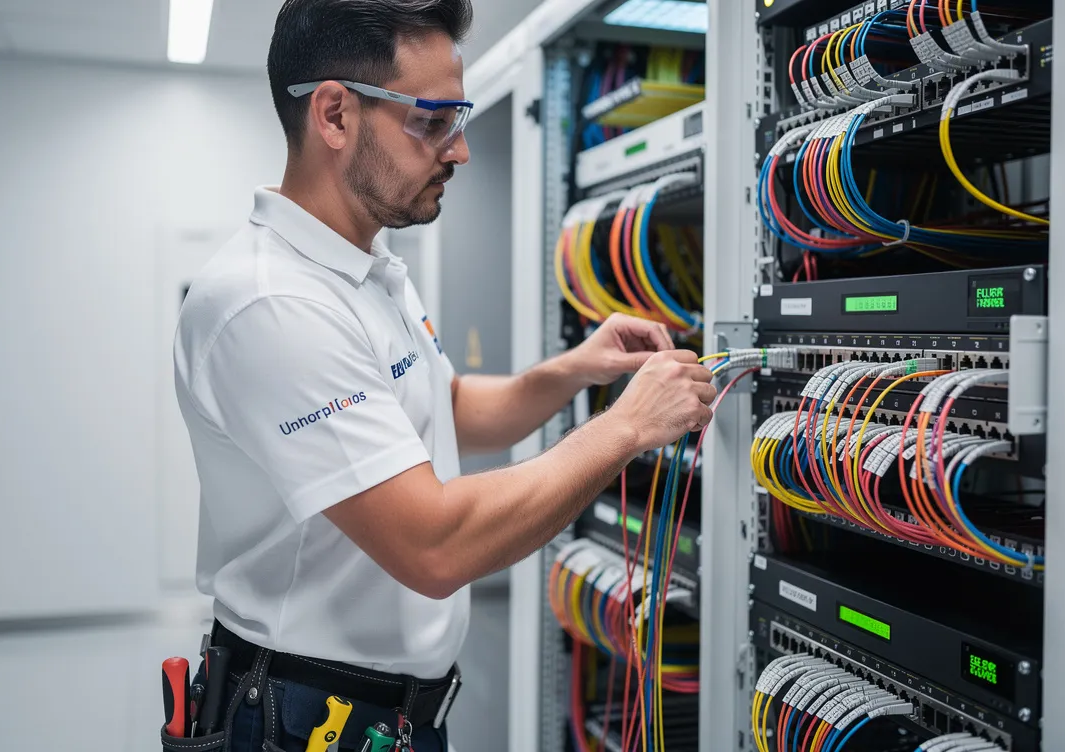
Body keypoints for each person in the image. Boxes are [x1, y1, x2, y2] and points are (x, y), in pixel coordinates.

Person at [170, 0, 716, 749]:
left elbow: (445, 406)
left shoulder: (367, 266)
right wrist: (626, 428)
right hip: (299, 719)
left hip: (384, 713)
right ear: (335, 114)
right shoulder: (272, 304)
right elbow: (434, 546)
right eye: (432, 121)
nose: (458, 151)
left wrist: (573, 371)